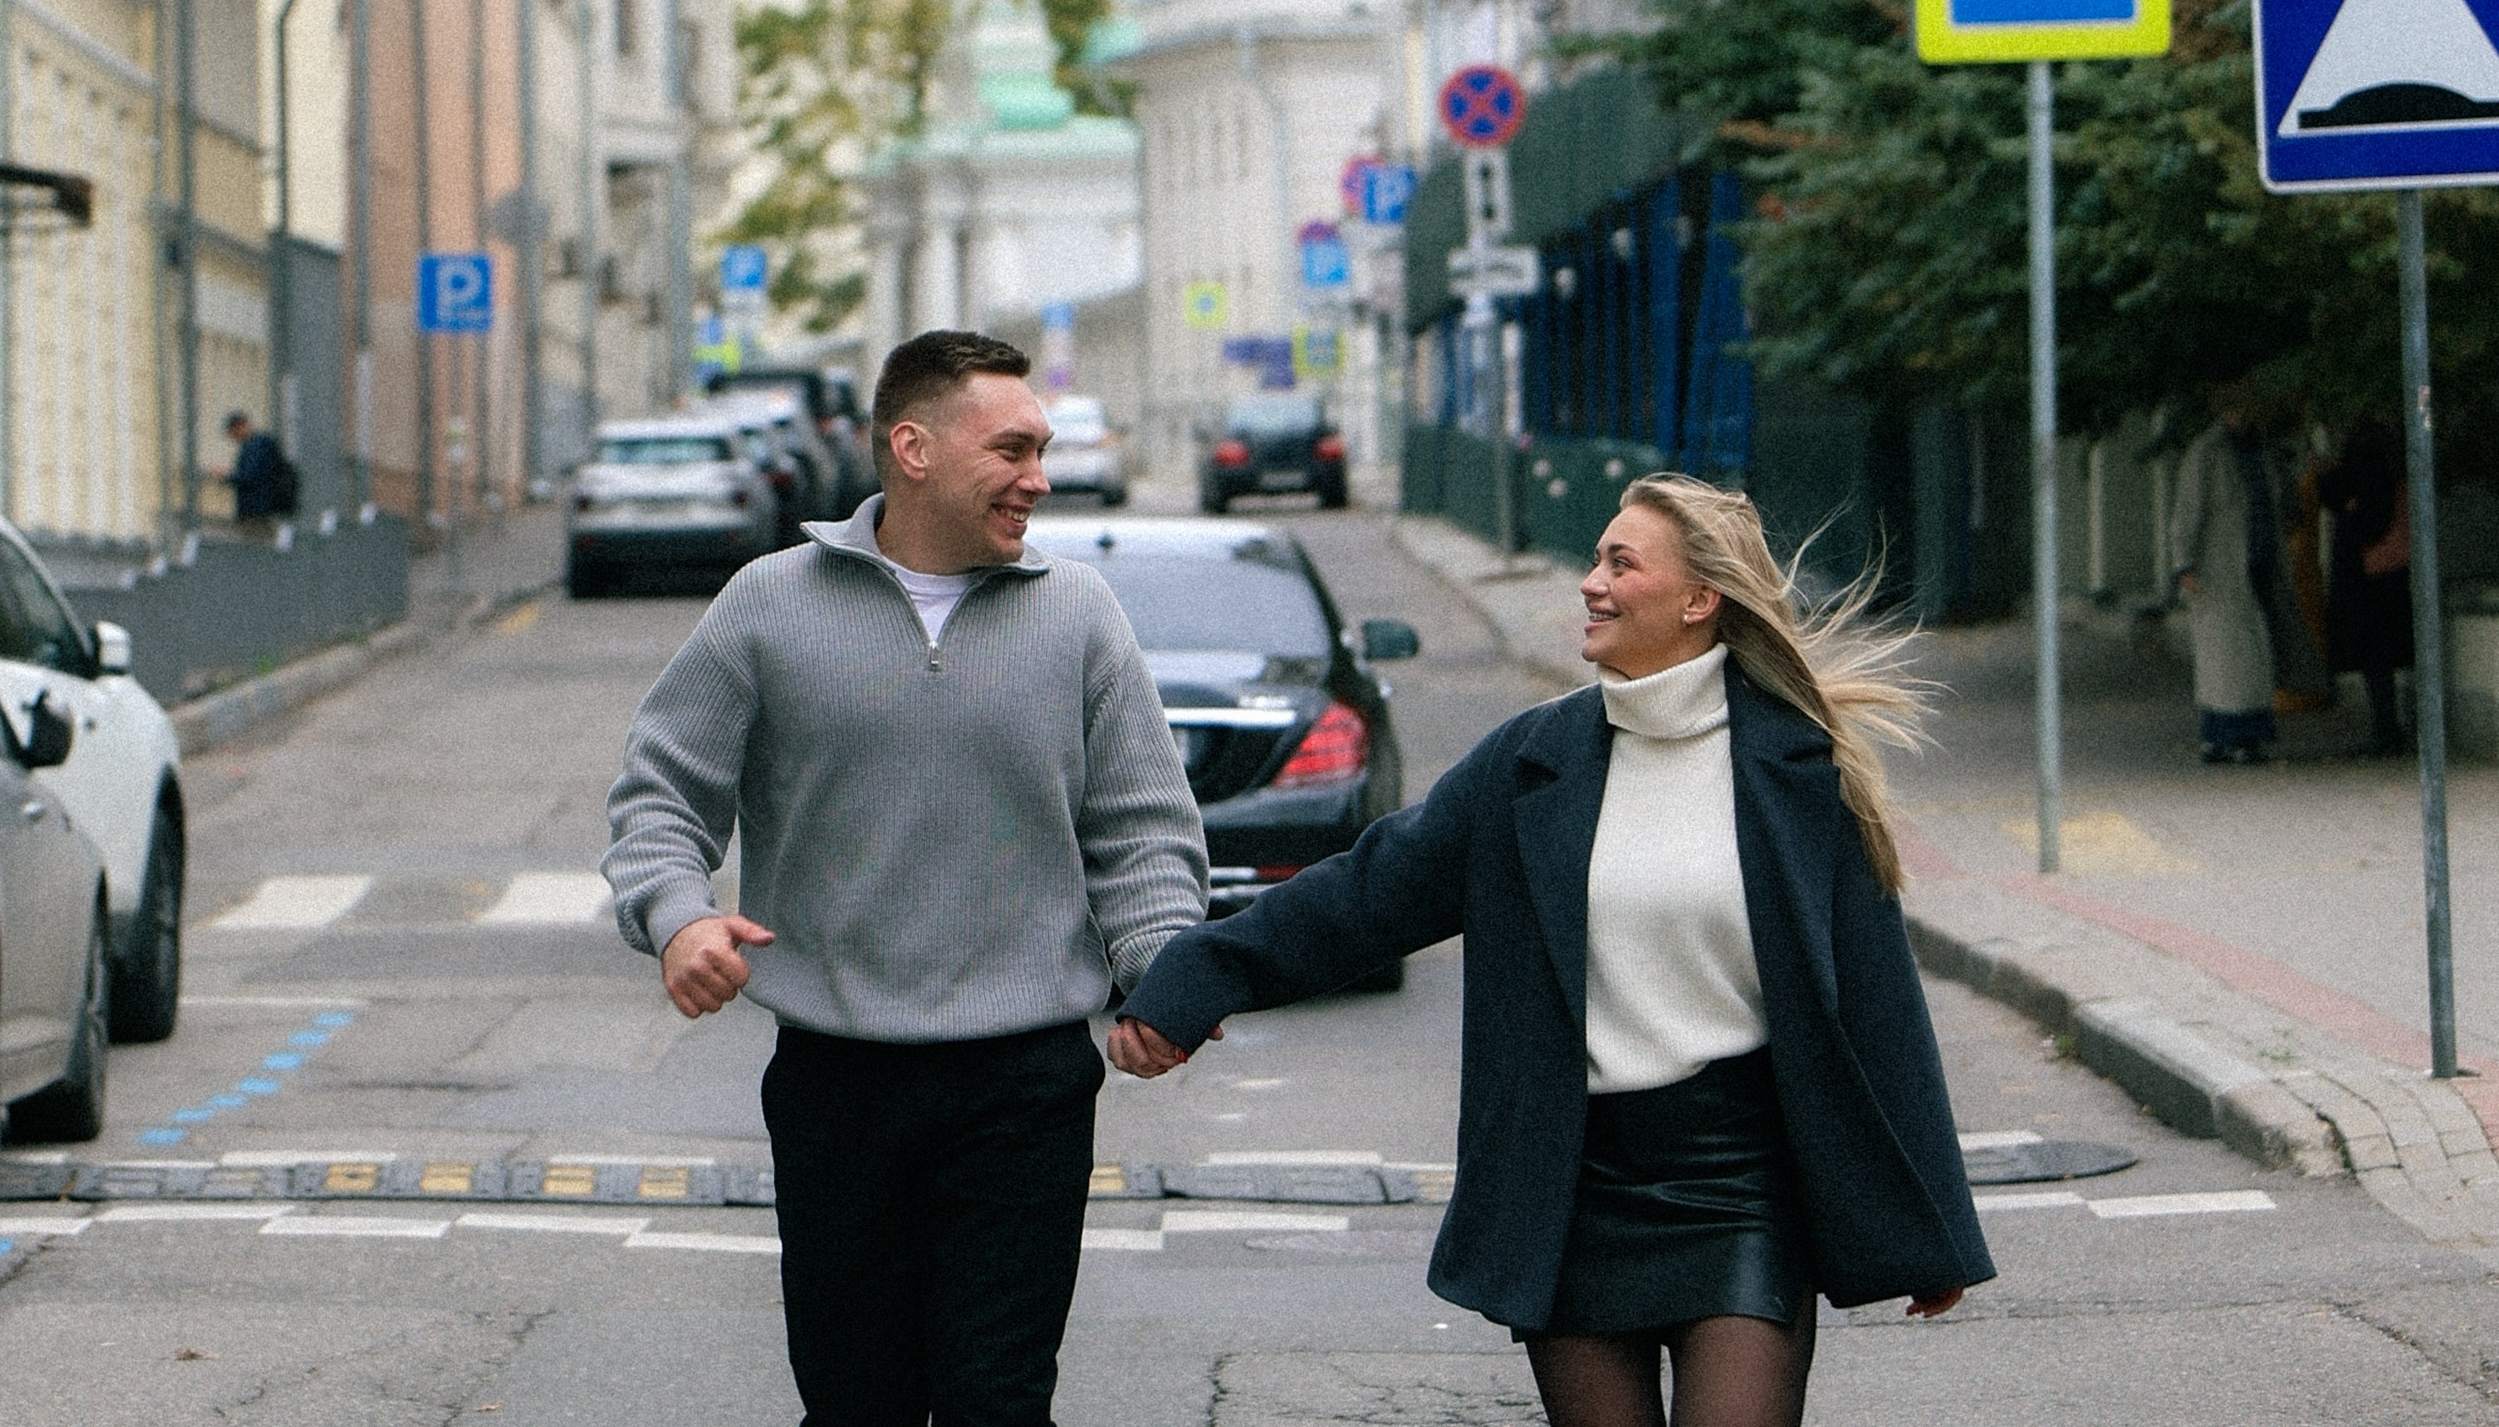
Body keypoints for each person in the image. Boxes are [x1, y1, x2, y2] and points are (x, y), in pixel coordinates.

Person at [1113, 472, 1991, 1427]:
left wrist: (1930, 1228)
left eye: (1622, 561)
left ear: (1700, 599)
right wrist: (1196, 977)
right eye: (1596, 558)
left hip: (1742, 1181)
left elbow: (1876, 1006)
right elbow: (1370, 892)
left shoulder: (1796, 773)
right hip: (1573, 1185)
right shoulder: (1532, 765)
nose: (1590, 581)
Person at [603, 327, 1206, 1427]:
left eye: (1042, 450)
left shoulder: (1077, 615)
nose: (1039, 477)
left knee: (999, 1401)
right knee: (855, 1404)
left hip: (1025, 1084)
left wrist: (1162, 968)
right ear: (913, 448)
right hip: (839, 1082)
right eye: (1013, 448)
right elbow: (660, 799)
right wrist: (678, 917)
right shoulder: (767, 605)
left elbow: (1144, 833)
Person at [2170, 388, 2284, 765]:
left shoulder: (2255, 451)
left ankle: (2237, 735)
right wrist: (2184, 563)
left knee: (2246, 655)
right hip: (2219, 567)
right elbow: (2188, 511)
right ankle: (2227, 736)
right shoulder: (2208, 453)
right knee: (2225, 657)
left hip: (2253, 564)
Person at [2318, 414, 2413, 759]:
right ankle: (2389, 727)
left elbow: (2342, 495)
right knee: (2383, 655)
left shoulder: (2364, 450)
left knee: (2375, 655)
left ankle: (2386, 730)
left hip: (2368, 572)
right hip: (2387, 569)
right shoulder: (2390, 448)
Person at [223, 410, 295, 527]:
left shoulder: (257, 445)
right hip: (257, 508)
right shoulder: (254, 445)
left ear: (240, 426)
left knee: (255, 538)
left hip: (257, 509)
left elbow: (250, 476)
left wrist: (227, 475)